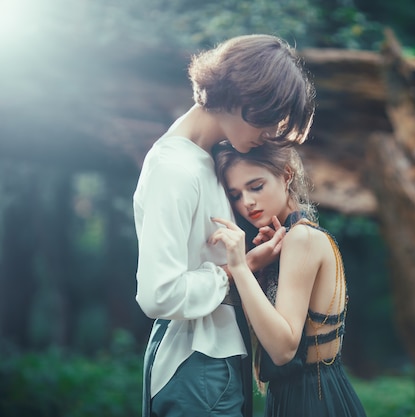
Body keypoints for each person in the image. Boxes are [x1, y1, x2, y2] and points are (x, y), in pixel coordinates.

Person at [133, 34, 315, 417]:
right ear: (241, 98)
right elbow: (158, 294)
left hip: (216, 360)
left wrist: (246, 264)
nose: (271, 132)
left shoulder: (205, 161)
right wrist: (239, 268)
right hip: (197, 364)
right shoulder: (175, 169)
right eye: (269, 117)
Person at [211, 142, 367, 417]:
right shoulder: (297, 238)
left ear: (286, 175)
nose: (246, 202)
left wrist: (239, 266)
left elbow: (283, 349)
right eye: (235, 195)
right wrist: (259, 269)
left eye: (256, 186)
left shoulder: (301, 238)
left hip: (311, 399)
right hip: (308, 394)